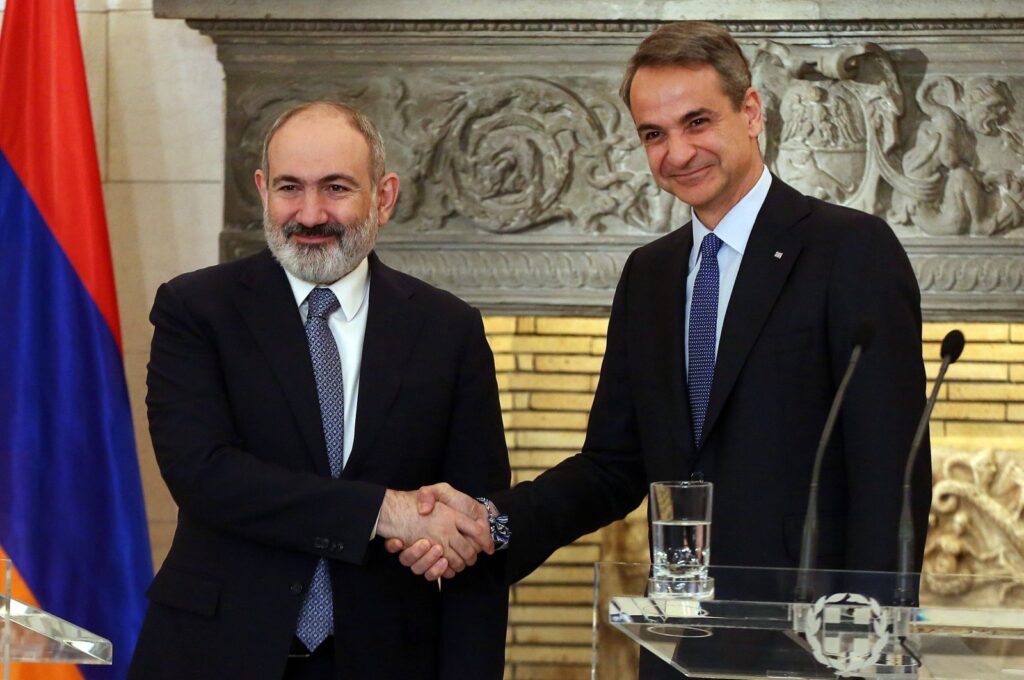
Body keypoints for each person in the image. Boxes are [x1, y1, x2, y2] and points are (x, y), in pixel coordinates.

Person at [394, 16, 932, 631]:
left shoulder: (850, 250)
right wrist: (494, 524)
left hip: (814, 631)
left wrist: (873, 630)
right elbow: (613, 464)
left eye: (697, 122)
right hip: (679, 630)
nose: (677, 153)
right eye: (654, 134)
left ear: (751, 111)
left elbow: (891, 469)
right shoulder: (649, 275)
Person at [128, 101, 510, 680]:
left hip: (388, 662)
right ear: (262, 190)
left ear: (383, 197)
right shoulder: (196, 309)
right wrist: (385, 512)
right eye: (289, 188)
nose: (309, 214)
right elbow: (203, 474)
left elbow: (471, 527)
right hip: (213, 654)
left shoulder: (447, 329)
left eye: (335, 187)